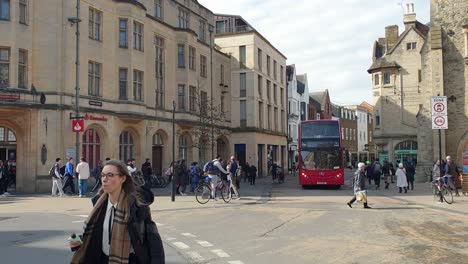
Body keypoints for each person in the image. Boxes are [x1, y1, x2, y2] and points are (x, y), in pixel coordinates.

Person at [70, 159, 165, 264]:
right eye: (102, 175)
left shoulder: (136, 206)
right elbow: (98, 234)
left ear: (122, 178)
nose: (104, 179)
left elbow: (154, 242)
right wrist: (80, 241)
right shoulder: (99, 204)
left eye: (110, 175)